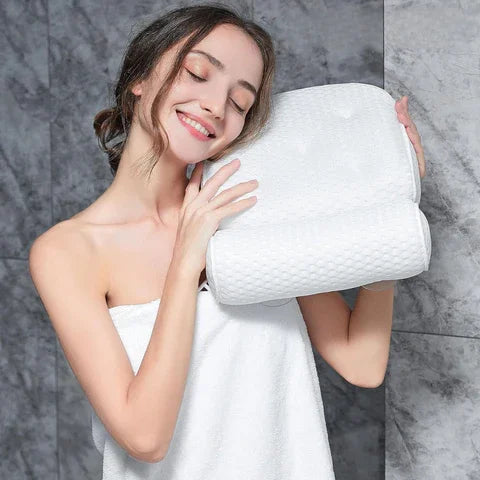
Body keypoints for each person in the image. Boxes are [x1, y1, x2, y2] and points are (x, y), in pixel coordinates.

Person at [29, 4, 422, 479]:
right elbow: (145, 438)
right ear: (140, 77)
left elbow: (361, 362)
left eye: (239, 103)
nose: (217, 106)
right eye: (197, 74)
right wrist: (185, 260)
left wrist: (390, 209)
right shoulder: (68, 252)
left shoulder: (254, 210)